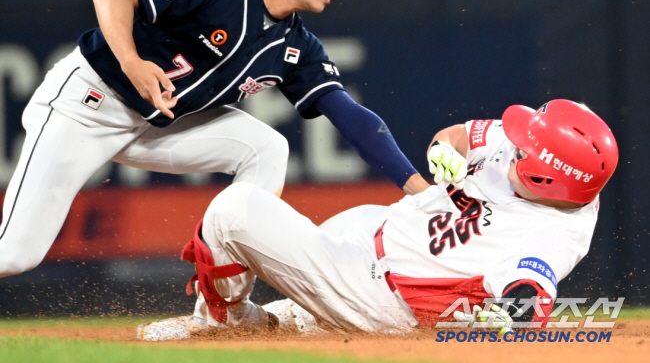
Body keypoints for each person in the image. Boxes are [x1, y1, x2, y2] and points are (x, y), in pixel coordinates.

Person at [0, 0, 430, 280]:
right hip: (89, 102)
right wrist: (133, 62)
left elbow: (352, 119)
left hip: (158, 126)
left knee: (266, 148)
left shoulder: (297, 47)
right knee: (15, 254)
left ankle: (222, 305)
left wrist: (421, 191)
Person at [136, 99, 619, 340]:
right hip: (379, 229)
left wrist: (501, 321)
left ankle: (225, 324)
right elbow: (456, 135)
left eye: (525, 151)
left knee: (234, 210)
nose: (515, 144)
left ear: (547, 179)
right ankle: (282, 321)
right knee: (311, 268)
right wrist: (441, 150)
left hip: (385, 294)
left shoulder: (552, 235)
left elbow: (531, 297)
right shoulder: (543, 152)